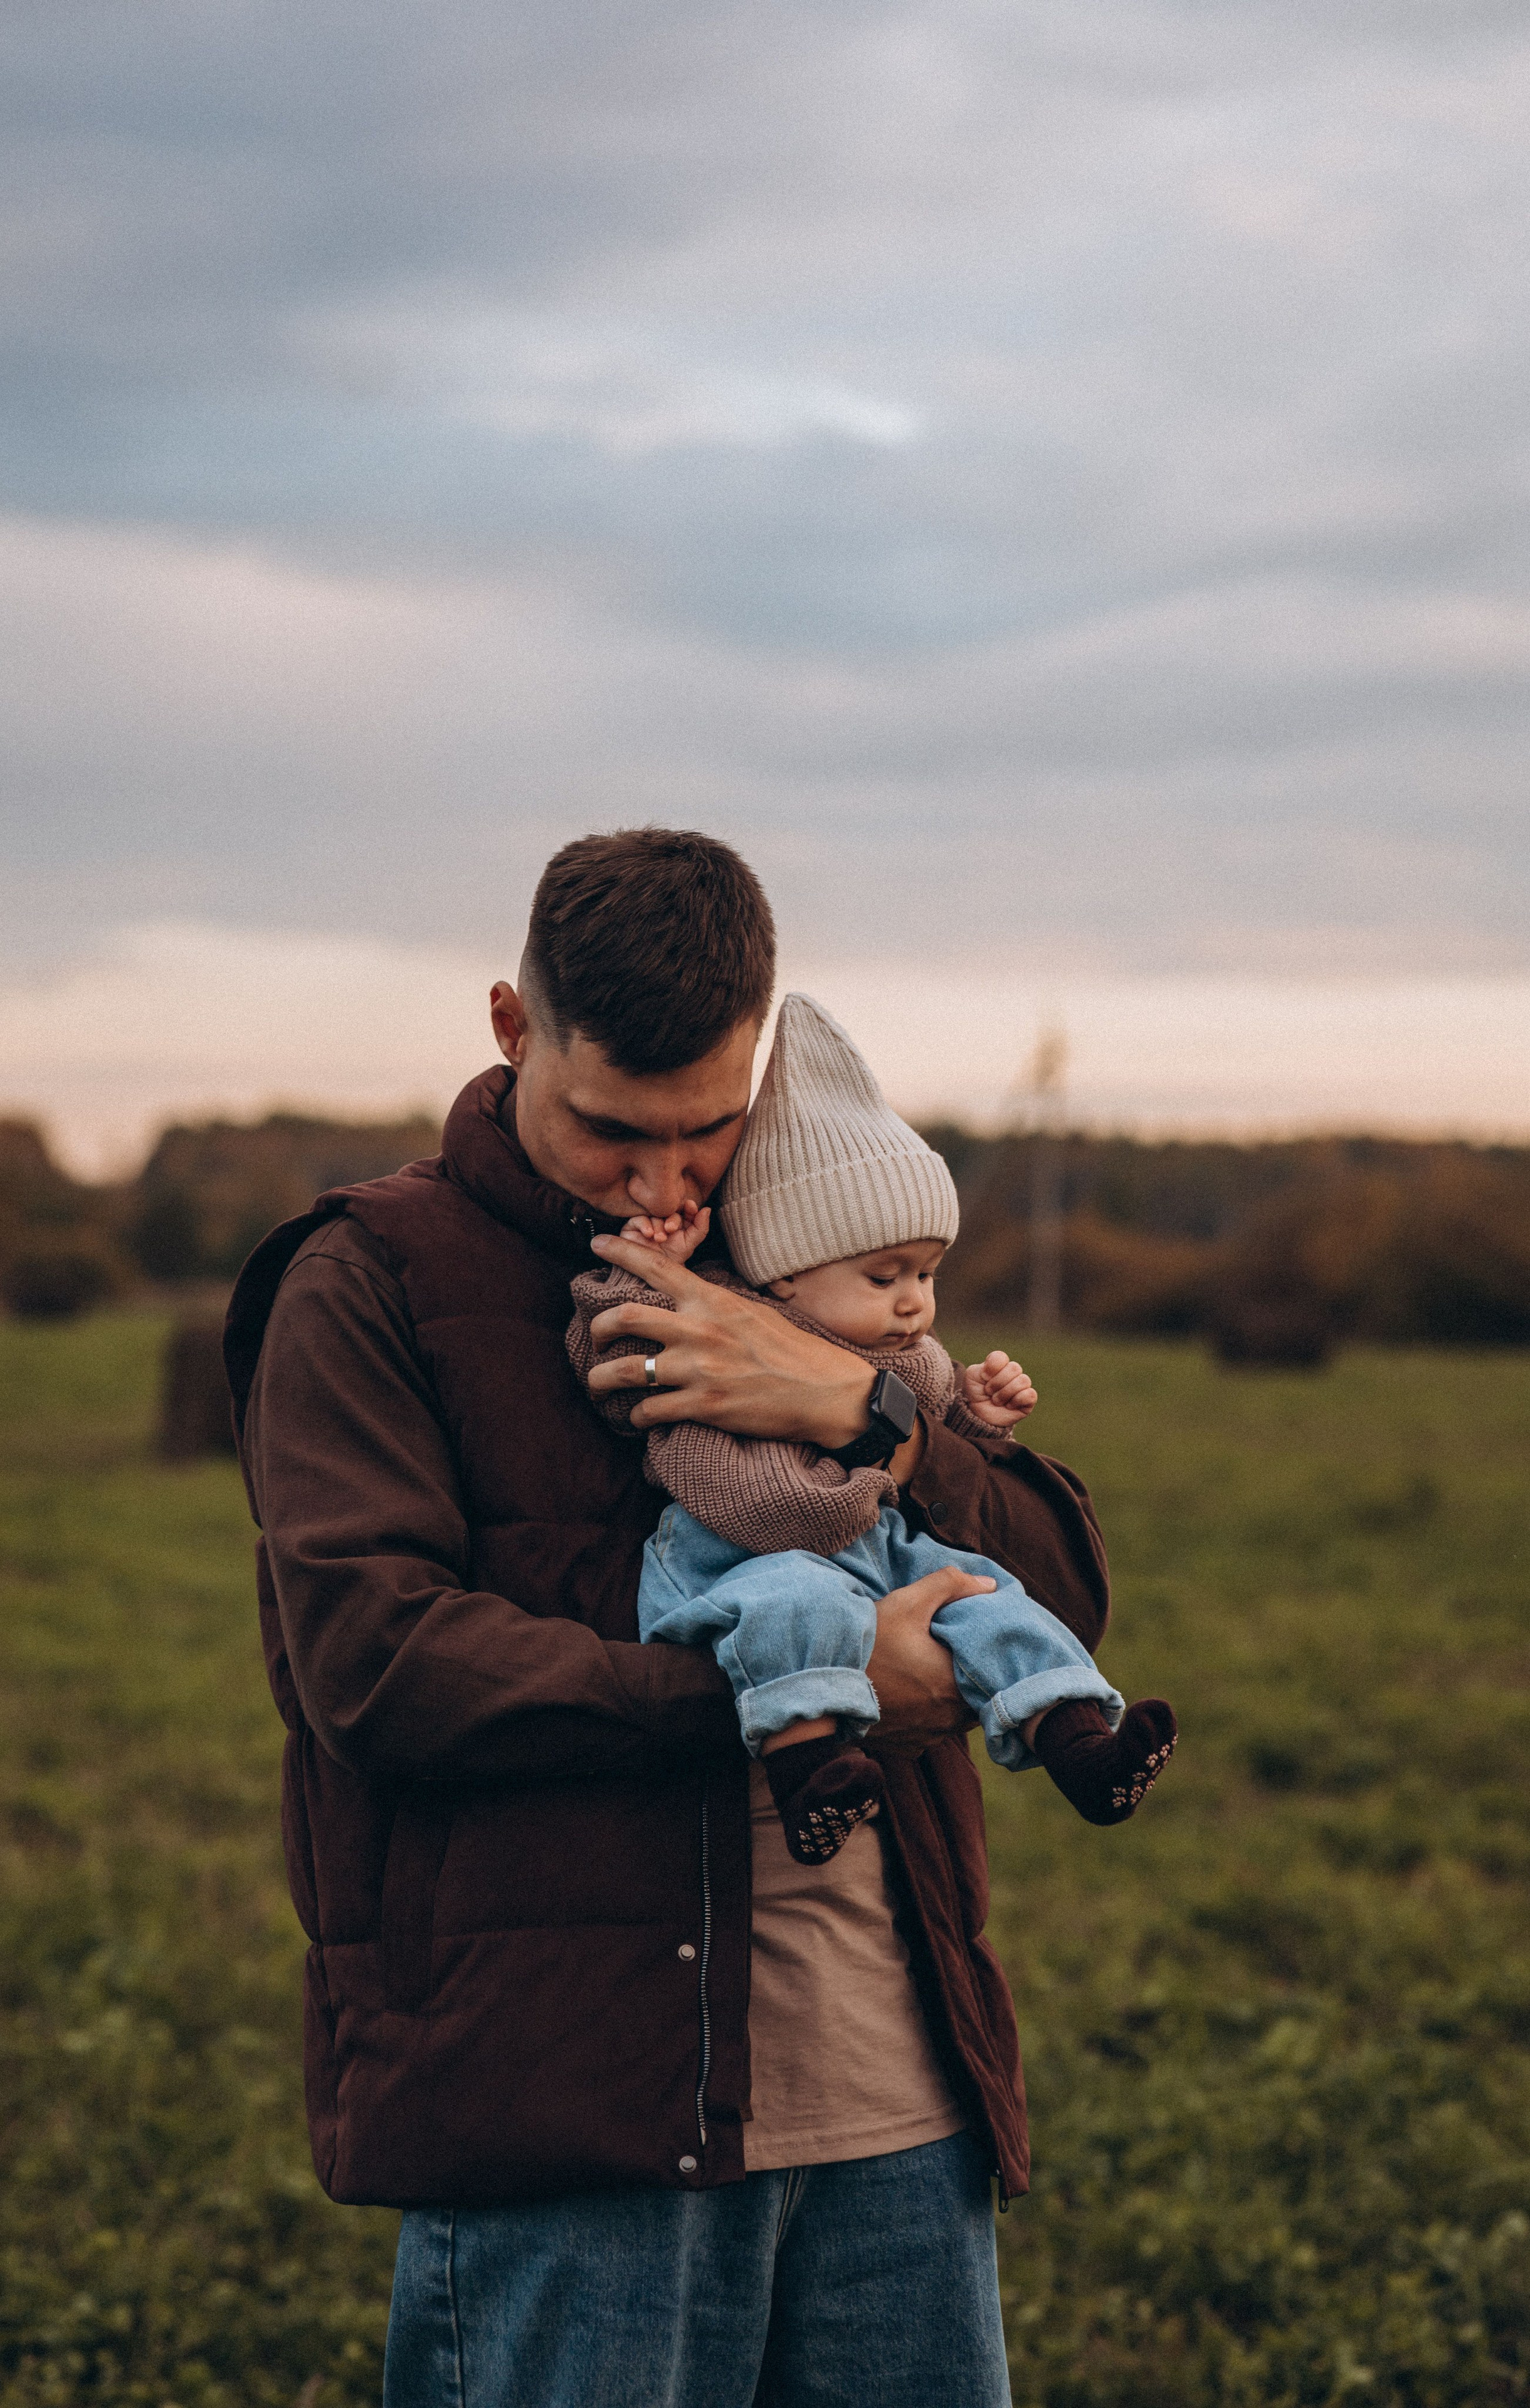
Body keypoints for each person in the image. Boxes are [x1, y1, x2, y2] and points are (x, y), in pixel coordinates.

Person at [223, 828, 1115, 2408]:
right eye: (609, 1133)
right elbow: (373, 1669)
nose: (659, 1185)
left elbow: (1069, 1584)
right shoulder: (366, 1280)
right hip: (572, 2123)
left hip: (897, 2101)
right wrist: (792, 1689)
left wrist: (862, 1410)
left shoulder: (811, 1249)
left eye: (703, 1133)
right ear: (512, 1030)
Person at [567, 991, 1176, 1867]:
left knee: (986, 1596)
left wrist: (976, 1407)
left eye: (927, 1274)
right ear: (783, 1272)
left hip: (880, 1548)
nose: (913, 1302)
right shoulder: (709, 1313)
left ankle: (1078, 1740)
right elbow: (609, 1350)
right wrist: (652, 1269)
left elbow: (943, 1431)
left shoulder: (901, 1356)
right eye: (885, 1274)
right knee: (792, 1610)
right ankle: (810, 1767)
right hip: (735, 1552)